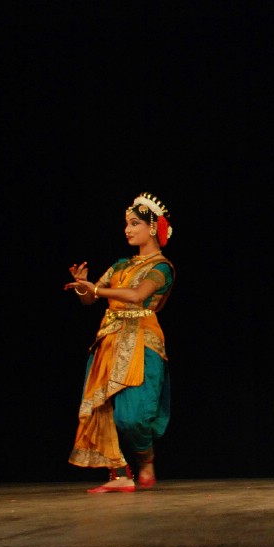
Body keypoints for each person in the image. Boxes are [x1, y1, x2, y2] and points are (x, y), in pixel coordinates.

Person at [65, 192, 174, 492]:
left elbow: (138, 296)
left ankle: (146, 460)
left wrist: (97, 293)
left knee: (133, 417)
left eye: (135, 223)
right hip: (110, 338)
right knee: (104, 410)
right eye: (126, 224)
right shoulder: (120, 265)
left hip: (142, 340)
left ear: (152, 228)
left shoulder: (162, 267)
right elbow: (91, 298)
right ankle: (120, 476)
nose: (127, 229)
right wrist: (83, 286)